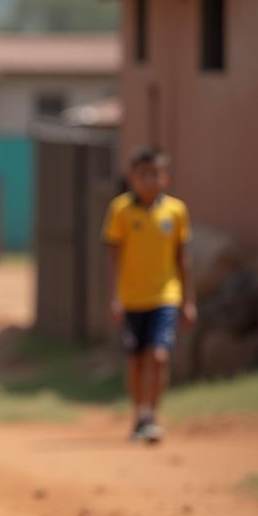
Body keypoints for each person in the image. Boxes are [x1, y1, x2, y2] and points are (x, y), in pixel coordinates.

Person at [102, 146, 196, 443]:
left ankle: (152, 416)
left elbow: (183, 259)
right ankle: (138, 415)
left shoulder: (176, 212)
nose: (149, 180)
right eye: (143, 175)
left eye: (155, 174)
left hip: (165, 296)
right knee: (136, 360)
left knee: (157, 355)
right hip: (131, 299)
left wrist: (188, 301)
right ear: (133, 177)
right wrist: (115, 297)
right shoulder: (120, 210)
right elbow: (113, 258)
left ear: (165, 177)